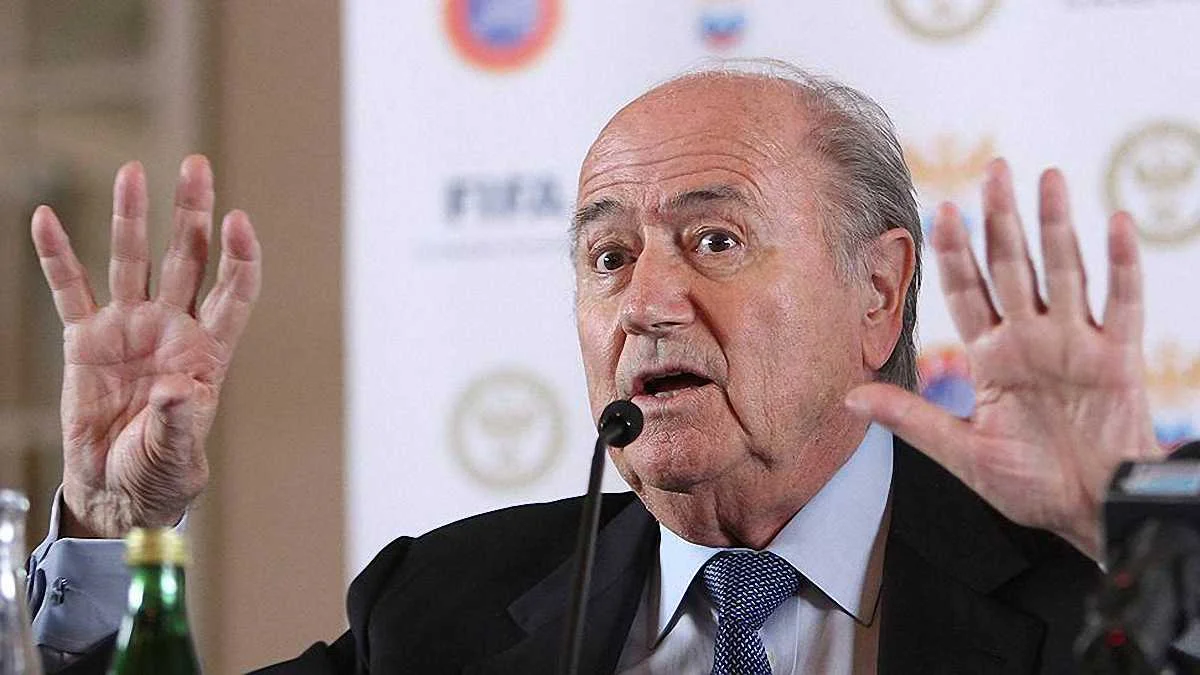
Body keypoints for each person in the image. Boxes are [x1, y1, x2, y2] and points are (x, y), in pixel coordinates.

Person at [26, 60, 1164, 674]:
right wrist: (109, 529)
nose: (647, 303)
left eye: (715, 240)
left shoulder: (1093, 587)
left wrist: (1140, 533)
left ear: (877, 292)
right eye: (608, 257)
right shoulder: (441, 611)